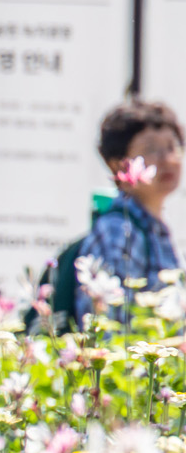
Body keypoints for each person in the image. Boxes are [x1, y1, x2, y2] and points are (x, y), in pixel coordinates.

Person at [69, 99, 184, 325]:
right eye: (151, 149)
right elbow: (106, 324)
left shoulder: (154, 225)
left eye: (172, 147)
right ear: (118, 165)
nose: (167, 159)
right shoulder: (119, 229)